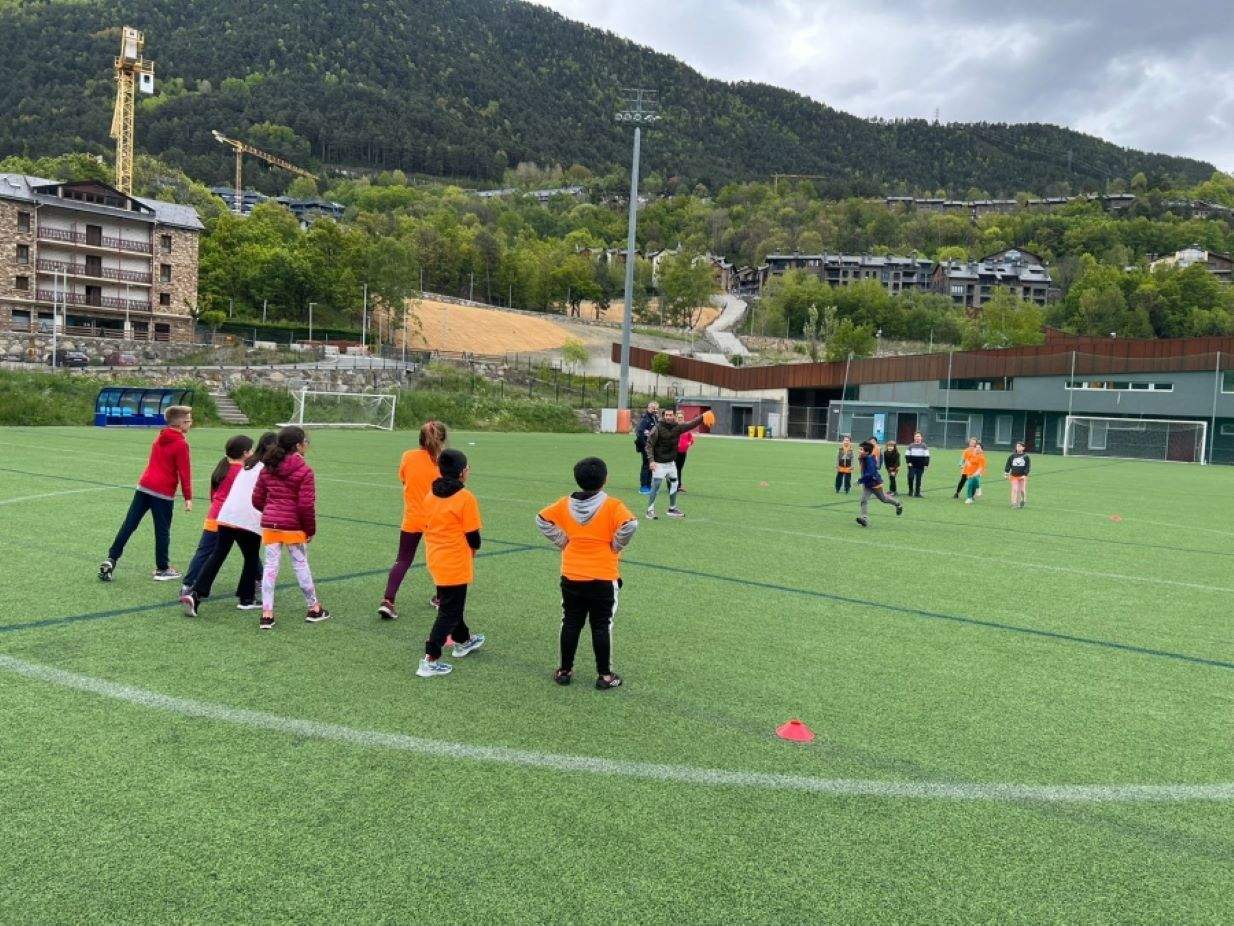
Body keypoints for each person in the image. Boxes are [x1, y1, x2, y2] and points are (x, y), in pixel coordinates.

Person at [536, 456, 638, 690]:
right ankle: (605, 676)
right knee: (602, 625)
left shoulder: (564, 504)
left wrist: (564, 541)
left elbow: (541, 519)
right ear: (605, 479)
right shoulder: (613, 505)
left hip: (572, 574)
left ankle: (564, 670)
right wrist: (616, 544)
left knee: (570, 622)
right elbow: (631, 524)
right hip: (603, 576)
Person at [180, 432, 276, 617]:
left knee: (217, 555)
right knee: (250, 557)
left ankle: (195, 594)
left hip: (225, 516)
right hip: (246, 519)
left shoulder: (247, 465)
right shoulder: (265, 469)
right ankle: (246, 599)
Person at [98, 404, 194, 583]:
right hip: (162, 492)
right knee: (162, 530)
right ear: (181, 423)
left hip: (144, 486)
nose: (191, 423)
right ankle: (162, 568)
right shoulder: (181, 443)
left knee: (129, 525)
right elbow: (184, 472)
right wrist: (188, 497)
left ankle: (111, 559)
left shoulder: (159, 437)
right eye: (189, 420)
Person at [252, 425, 329, 630]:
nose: (307, 445)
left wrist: (270, 511)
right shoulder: (304, 471)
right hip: (293, 526)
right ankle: (314, 608)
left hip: (271, 525)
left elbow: (257, 499)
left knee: (270, 568)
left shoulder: (267, 466)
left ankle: (267, 614)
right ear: (298, 445)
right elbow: (305, 505)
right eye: (306, 442)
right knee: (300, 565)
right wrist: (309, 530)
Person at [418, 448, 486, 677]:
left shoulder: (430, 495)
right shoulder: (465, 498)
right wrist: (474, 548)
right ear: (461, 472)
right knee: (449, 611)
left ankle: (463, 640)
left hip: (436, 559)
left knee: (451, 604)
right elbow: (473, 536)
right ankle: (430, 658)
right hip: (455, 562)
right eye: (467, 467)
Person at [378, 421, 448, 621]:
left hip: (412, 517)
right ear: (442, 440)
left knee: (403, 560)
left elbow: (403, 479)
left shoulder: (408, 456)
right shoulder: (444, 461)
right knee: (439, 558)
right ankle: (441, 598)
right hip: (437, 517)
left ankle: (388, 601)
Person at [182, 435, 253, 594]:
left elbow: (213, 494)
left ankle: (187, 585)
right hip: (233, 520)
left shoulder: (222, 467)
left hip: (214, 516)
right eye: (251, 450)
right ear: (244, 453)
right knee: (250, 553)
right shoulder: (243, 472)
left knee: (203, 552)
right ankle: (258, 580)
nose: (253, 452)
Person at [643, 408, 708, 519]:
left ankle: (672, 509)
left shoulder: (677, 427)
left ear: (673, 416)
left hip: (671, 463)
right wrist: (651, 461)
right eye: (667, 415)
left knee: (674, 484)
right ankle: (650, 510)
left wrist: (703, 416)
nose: (669, 417)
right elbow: (649, 445)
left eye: (670, 415)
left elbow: (691, 424)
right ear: (664, 416)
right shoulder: (657, 428)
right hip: (659, 463)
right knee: (656, 486)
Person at [855, 439, 903, 527]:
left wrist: (860, 480)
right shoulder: (863, 457)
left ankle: (898, 504)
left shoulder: (870, 460)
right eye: (860, 449)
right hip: (868, 484)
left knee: (884, 499)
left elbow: (870, 473)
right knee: (863, 500)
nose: (859, 451)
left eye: (861, 449)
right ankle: (864, 519)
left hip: (875, 484)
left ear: (867, 452)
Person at [634, 401, 659, 495]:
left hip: (653, 446)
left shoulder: (655, 418)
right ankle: (643, 486)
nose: (654, 410)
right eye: (652, 408)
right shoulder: (645, 419)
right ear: (648, 408)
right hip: (646, 446)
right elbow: (639, 433)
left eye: (656, 408)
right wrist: (645, 446)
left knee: (651, 466)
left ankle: (649, 485)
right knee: (646, 465)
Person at [1004, 441, 1031, 508]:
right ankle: (1014, 503)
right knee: (1014, 489)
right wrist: (1006, 473)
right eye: (1017, 446)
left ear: (1023, 448)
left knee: (1022, 490)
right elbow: (1008, 465)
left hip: (1022, 476)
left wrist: (1025, 475)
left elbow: (1028, 466)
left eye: (1019, 446)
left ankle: (1023, 500)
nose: (1018, 447)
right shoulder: (1012, 456)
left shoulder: (1026, 456)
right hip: (1014, 476)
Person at [905, 432, 930, 498]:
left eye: (919, 436)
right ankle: (910, 491)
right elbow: (907, 455)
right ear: (914, 437)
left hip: (920, 465)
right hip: (912, 465)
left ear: (921, 438)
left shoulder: (924, 446)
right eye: (916, 436)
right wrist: (908, 462)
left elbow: (927, 456)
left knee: (918, 479)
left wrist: (926, 465)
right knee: (911, 477)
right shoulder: (910, 445)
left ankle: (917, 493)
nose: (917, 438)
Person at [962, 440, 987, 505]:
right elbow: (966, 459)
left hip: (977, 473)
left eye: (979, 448)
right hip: (969, 472)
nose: (977, 449)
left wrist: (974, 474)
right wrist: (967, 463)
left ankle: (975, 491)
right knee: (971, 484)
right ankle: (970, 497)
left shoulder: (981, 457)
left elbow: (980, 468)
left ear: (981, 449)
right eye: (976, 447)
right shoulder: (971, 453)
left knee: (973, 482)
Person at [675, 425, 696, 492]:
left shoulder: (686, 430)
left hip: (683, 452)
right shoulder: (674, 429)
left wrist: (689, 443)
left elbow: (691, 440)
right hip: (675, 452)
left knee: (679, 469)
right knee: (674, 469)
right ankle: (675, 486)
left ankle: (679, 485)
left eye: (681, 418)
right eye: (679, 418)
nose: (680, 419)